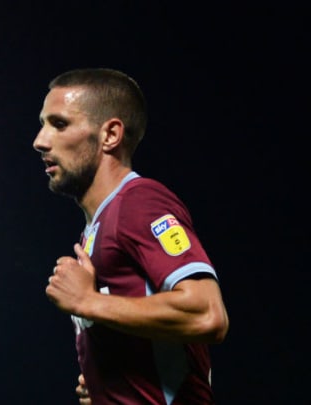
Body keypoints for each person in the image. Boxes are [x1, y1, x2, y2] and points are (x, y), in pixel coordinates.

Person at [34, 68, 229, 404]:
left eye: (60, 124)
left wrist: (88, 301)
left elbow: (207, 313)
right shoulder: (96, 228)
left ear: (110, 134)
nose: (40, 140)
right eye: (43, 124)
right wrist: (105, 384)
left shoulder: (139, 202)